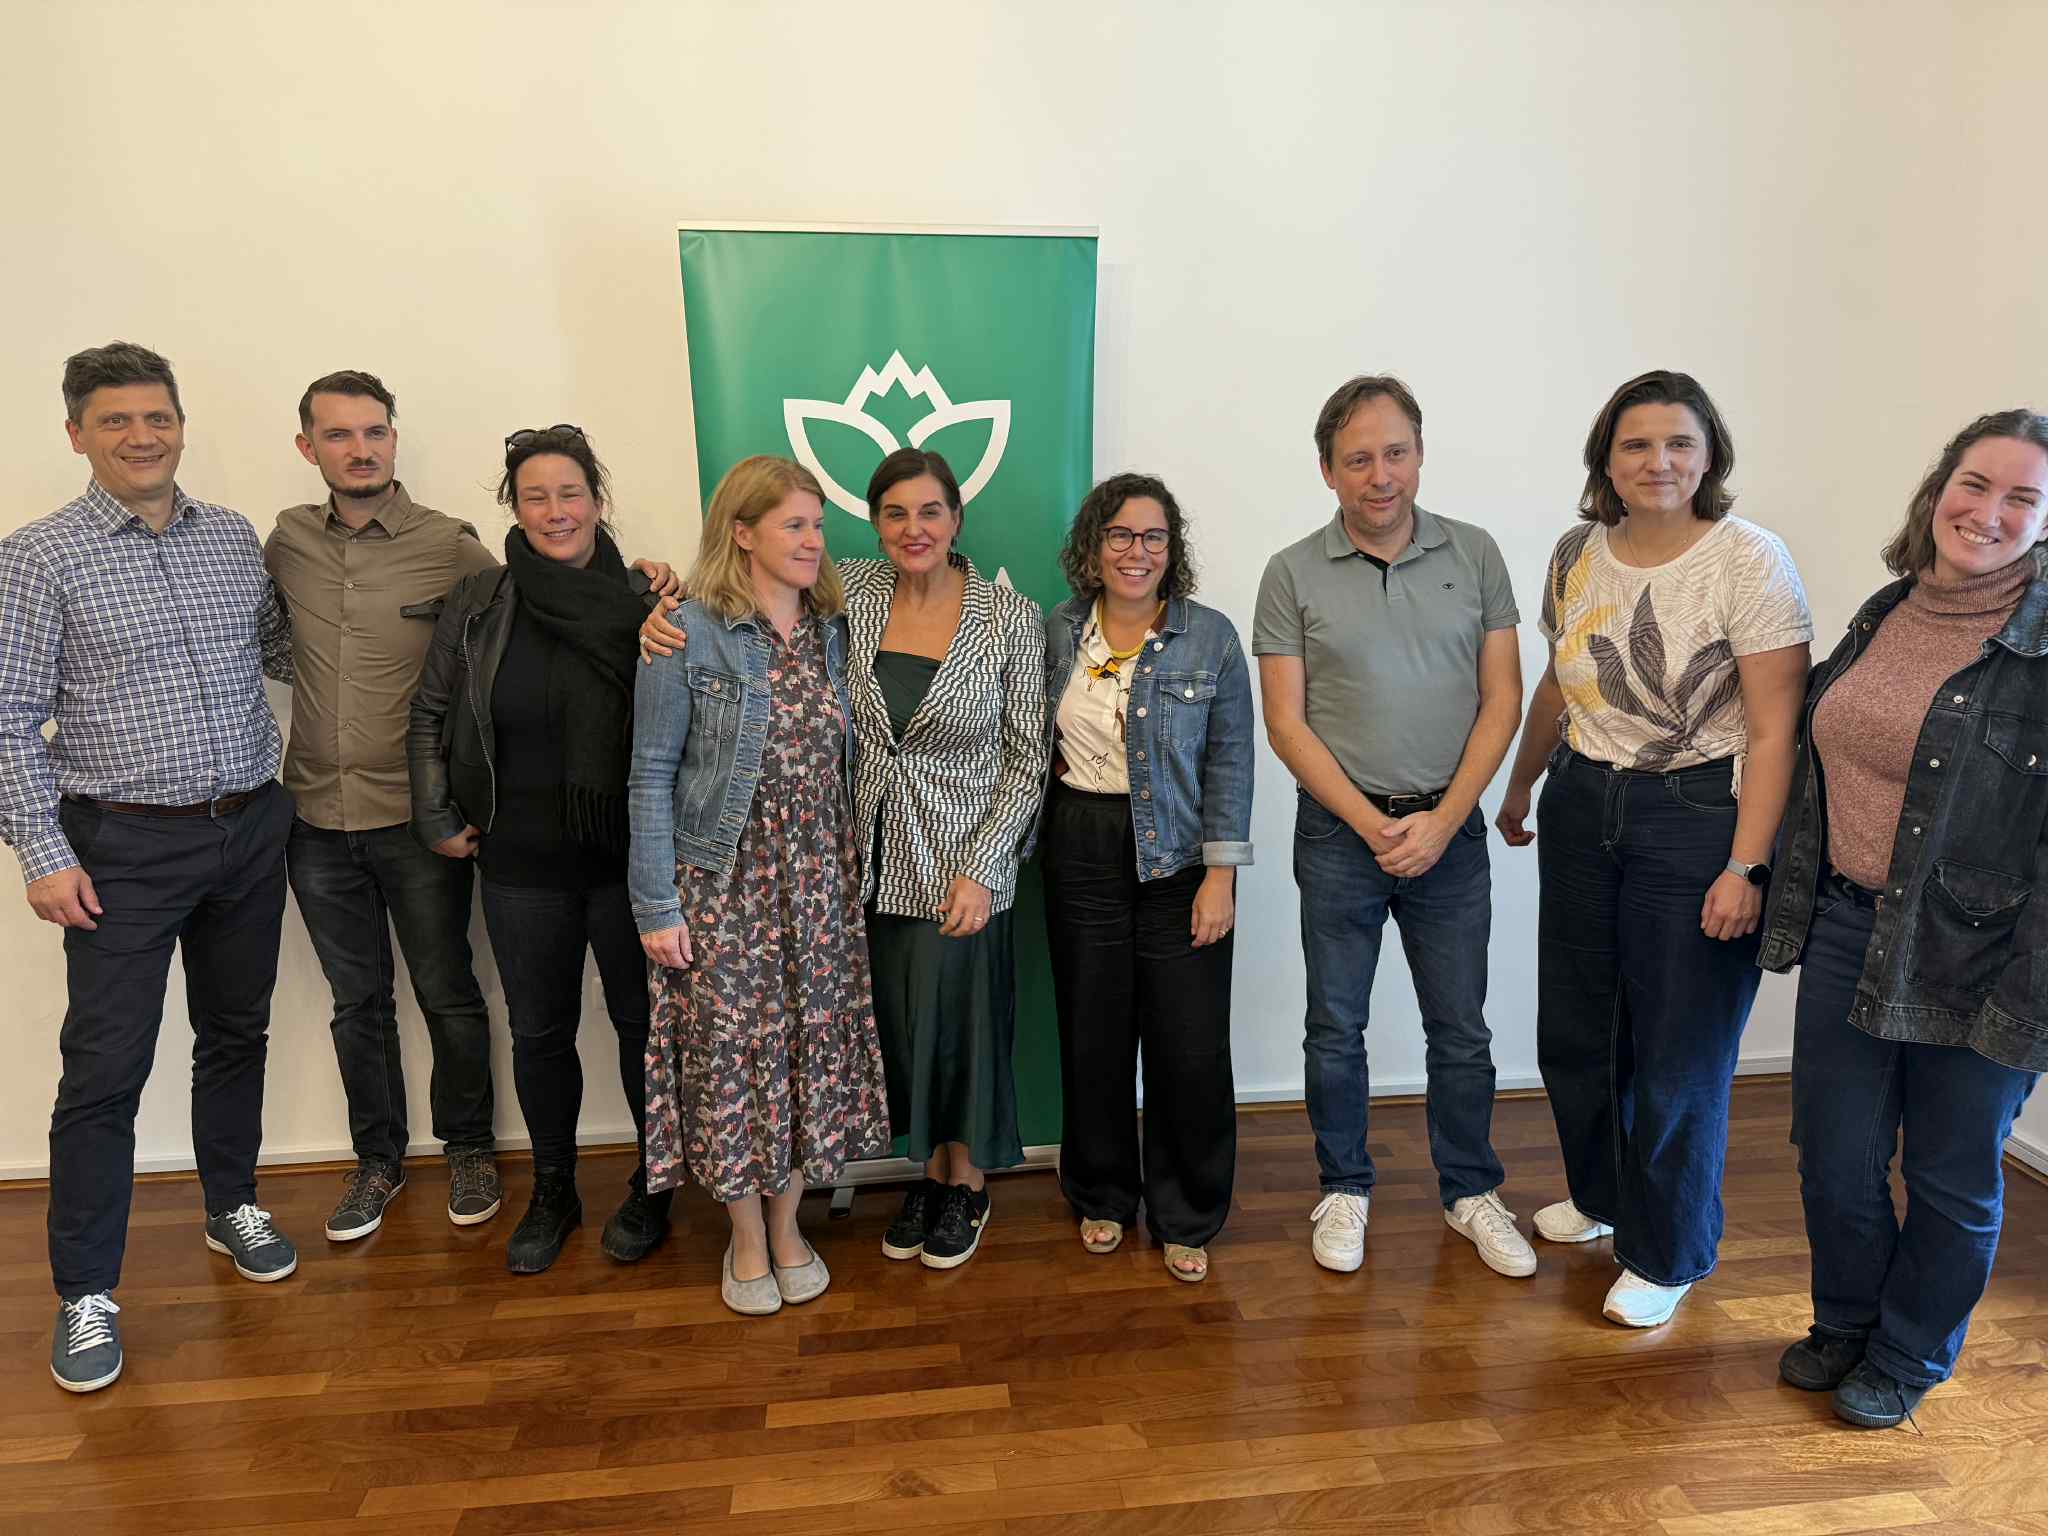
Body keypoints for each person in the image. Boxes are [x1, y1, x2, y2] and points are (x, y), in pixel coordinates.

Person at [642, 446, 1047, 1270]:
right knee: (895, 1033)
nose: (913, 528)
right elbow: (733, 620)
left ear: (957, 518)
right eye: (893, 513)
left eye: (930, 511)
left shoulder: (1010, 617)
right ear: (874, 525)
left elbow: (1027, 756)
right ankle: (919, 1181)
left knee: (959, 1030)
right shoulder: (847, 596)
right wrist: (654, 598)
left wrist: (986, 866)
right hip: (852, 868)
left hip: (959, 864)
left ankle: (964, 1186)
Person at [2, 343, 299, 1394]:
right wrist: (42, 854)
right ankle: (87, 1294)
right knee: (105, 1071)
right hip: (119, 847)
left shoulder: (229, 539)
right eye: (116, 421)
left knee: (237, 1032)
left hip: (250, 829)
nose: (142, 437)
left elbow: (279, 651)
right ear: (77, 433)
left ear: (181, 424)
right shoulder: (39, 558)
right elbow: (4, 718)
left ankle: (230, 1205)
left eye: (157, 418)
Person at [1498, 369, 1812, 1327]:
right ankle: (1603, 1198)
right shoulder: (1574, 554)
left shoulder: (1748, 560)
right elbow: (1559, 687)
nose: (1658, 462)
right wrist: (1520, 788)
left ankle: (1670, 1248)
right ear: (1607, 460)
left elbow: (1774, 730)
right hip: (1585, 806)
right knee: (1579, 1032)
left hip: (1697, 817)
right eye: (1636, 445)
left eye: (1679, 442)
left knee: (1679, 1049)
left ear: (1708, 453)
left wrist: (1746, 865)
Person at [1758, 409, 2048, 1427]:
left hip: (1985, 952)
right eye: (1975, 483)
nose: (1988, 512)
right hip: (1848, 922)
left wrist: (2025, 999)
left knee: (1948, 1172)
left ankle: (1907, 1349)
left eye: (2023, 497)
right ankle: (1843, 1318)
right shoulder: (1884, 611)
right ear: (1938, 489)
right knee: (1830, 1150)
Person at [1253, 374, 1534, 1281]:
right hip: (1341, 836)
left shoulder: (1477, 553)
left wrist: (1444, 821)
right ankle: (1343, 1186)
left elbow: (1504, 698)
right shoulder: (1291, 571)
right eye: (1359, 459)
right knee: (1335, 1024)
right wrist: (1376, 824)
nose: (1382, 476)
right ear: (1328, 472)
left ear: (1420, 453)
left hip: (1450, 834)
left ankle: (1471, 1192)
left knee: (1462, 1029)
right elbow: (1287, 724)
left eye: (1396, 453)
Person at [407, 425, 669, 1274]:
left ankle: (653, 1184)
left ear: (598, 500)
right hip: (519, 864)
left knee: (645, 1030)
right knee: (541, 1033)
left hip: (631, 865)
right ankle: (553, 1186)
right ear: (513, 508)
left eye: (570, 493)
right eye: (535, 496)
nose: (556, 512)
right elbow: (431, 716)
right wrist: (437, 812)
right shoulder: (479, 601)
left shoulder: (647, 602)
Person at [630, 455, 888, 1316]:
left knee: (805, 1057)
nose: (814, 542)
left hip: (818, 887)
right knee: (734, 1063)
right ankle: (744, 1237)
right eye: (794, 526)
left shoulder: (833, 633)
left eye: (818, 526)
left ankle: (788, 1227)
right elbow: (650, 775)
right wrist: (655, 904)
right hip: (724, 887)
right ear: (741, 532)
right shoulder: (687, 633)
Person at [265, 371, 502, 1241]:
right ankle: (377, 1164)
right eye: (338, 435)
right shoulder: (285, 541)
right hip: (315, 824)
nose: (359, 449)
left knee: (447, 991)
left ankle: (470, 1149)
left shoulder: (450, 546)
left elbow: (530, 616)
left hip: (419, 821)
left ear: (395, 438)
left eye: (374, 432)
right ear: (309, 448)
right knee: (355, 1001)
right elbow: (267, 644)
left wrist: (642, 583)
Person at [1040, 473, 1252, 1282]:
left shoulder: (1213, 638)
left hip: (1183, 859)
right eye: (1120, 536)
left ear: (1174, 549)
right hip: (1081, 842)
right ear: (1093, 548)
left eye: (1154, 537)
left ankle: (1186, 1211)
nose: (1137, 552)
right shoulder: (1057, 631)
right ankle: (1100, 1194)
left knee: (1188, 1044)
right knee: (1093, 1031)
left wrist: (1221, 878)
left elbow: (1232, 763)